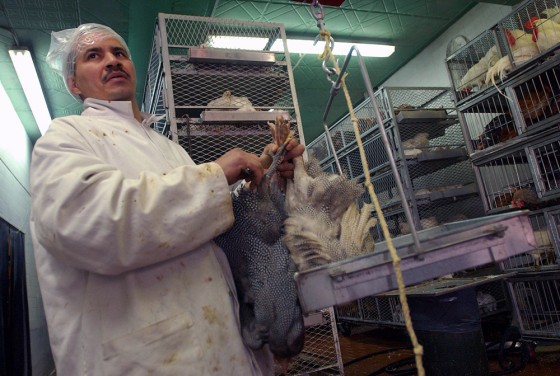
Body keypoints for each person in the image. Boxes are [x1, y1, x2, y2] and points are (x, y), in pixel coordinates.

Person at [29, 23, 304, 376]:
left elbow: (195, 221)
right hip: (147, 358)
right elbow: (95, 224)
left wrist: (264, 176)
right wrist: (216, 176)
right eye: (93, 56)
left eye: (119, 53)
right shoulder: (65, 138)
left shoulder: (167, 147)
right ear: (73, 84)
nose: (112, 61)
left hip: (216, 345)